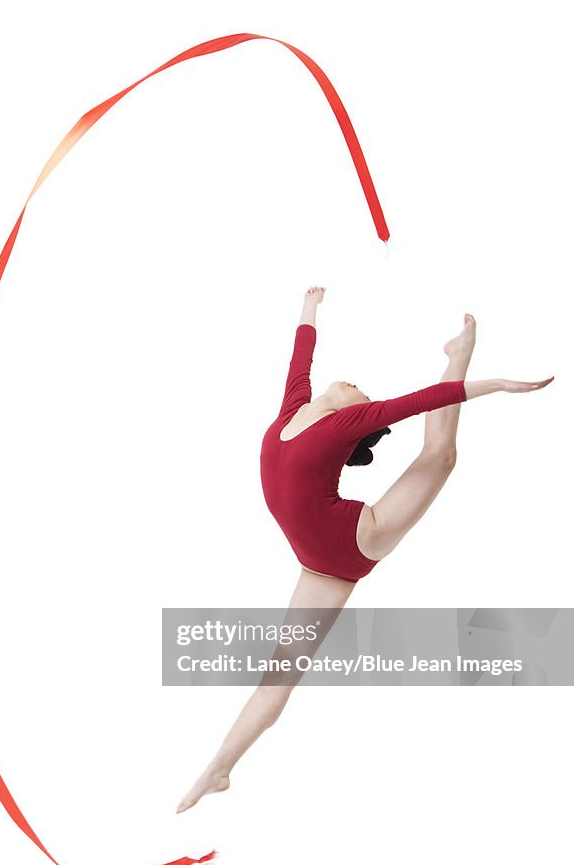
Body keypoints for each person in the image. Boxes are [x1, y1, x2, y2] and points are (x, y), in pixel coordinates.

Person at [176, 287, 553, 813]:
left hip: (353, 536)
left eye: (364, 394)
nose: (356, 385)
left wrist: (495, 384)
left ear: (360, 420)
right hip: (316, 563)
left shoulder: (344, 425)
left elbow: (420, 401)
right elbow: (300, 356)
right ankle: (217, 770)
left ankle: (457, 354)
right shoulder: (295, 407)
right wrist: (310, 307)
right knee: (278, 676)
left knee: (440, 454)